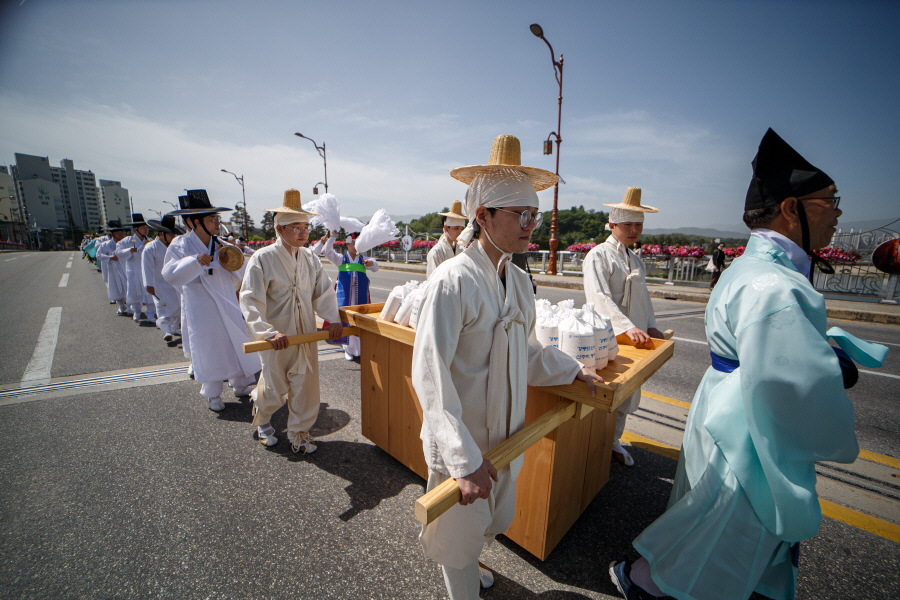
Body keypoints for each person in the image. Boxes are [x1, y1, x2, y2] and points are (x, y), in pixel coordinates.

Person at [609, 128, 863, 600]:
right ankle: (647, 584)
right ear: (791, 208)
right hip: (751, 422)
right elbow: (787, 377)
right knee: (726, 530)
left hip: (732, 405)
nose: (837, 212)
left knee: (709, 517)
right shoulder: (773, 284)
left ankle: (650, 580)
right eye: (830, 201)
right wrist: (826, 368)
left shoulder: (752, 269)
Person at [412, 134, 603, 600]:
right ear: (483, 216)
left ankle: (472, 563)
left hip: (505, 440)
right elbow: (430, 374)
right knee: (457, 537)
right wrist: (461, 459)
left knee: (491, 521)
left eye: (534, 215)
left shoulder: (517, 280)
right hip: (464, 443)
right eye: (521, 215)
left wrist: (572, 370)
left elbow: (528, 353)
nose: (530, 226)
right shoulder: (452, 281)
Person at [240, 190, 343, 452]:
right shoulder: (262, 258)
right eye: (296, 227)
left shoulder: (310, 258)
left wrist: (332, 320)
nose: (303, 233)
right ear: (279, 229)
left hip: (305, 333)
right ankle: (263, 419)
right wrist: (266, 332)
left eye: (306, 227)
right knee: (274, 387)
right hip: (278, 337)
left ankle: (299, 433)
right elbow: (250, 299)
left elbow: (323, 291)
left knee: (305, 386)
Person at [582, 188, 664, 467]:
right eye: (627, 224)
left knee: (627, 393)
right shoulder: (598, 255)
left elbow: (644, 299)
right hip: (610, 337)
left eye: (638, 224)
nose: (633, 230)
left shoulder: (635, 259)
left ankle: (614, 440)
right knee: (607, 391)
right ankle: (595, 442)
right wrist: (626, 327)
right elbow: (599, 298)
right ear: (612, 225)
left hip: (634, 336)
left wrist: (651, 326)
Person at [163, 189, 260, 412]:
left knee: (235, 341)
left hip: (226, 300)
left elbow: (242, 272)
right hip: (201, 306)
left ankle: (240, 384)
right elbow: (169, 274)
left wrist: (232, 258)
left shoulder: (222, 243)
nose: (217, 222)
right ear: (195, 222)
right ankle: (213, 393)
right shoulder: (180, 245)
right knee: (209, 348)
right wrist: (195, 261)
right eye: (211, 218)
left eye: (217, 218)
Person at [320, 229, 378, 362]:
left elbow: (375, 267)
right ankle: (348, 349)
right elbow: (326, 251)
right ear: (347, 244)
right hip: (344, 296)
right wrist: (332, 237)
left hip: (360, 296)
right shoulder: (340, 259)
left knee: (359, 320)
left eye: (358, 243)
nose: (355, 246)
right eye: (353, 243)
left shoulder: (364, 259)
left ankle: (359, 348)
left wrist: (371, 264)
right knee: (345, 320)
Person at [143, 213, 185, 342]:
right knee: (163, 308)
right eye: (170, 235)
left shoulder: (175, 246)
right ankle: (166, 330)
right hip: (159, 283)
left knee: (178, 306)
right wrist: (148, 284)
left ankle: (175, 327)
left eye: (173, 235)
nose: (173, 237)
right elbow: (146, 267)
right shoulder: (151, 247)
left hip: (174, 282)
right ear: (161, 234)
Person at [116, 213, 156, 324]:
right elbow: (118, 252)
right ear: (135, 229)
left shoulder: (150, 240)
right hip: (133, 270)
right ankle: (137, 311)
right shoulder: (127, 241)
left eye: (146, 227)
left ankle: (151, 314)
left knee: (149, 293)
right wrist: (129, 250)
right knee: (135, 292)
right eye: (143, 228)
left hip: (146, 271)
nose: (145, 230)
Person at [425, 200, 467, 277]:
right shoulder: (436, 253)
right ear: (446, 228)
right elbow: (432, 279)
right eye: (456, 228)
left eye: (462, 229)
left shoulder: (463, 251)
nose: (460, 232)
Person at [96, 220, 129, 315]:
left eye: (121, 233)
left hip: (126, 267)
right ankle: (121, 305)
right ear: (112, 234)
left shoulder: (127, 243)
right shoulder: (105, 244)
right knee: (115, 287)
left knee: (129, 286)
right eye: (117, 233)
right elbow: (98, 255)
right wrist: (110, 258)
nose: (120, 235)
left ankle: (131, 305)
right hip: (113, 269)